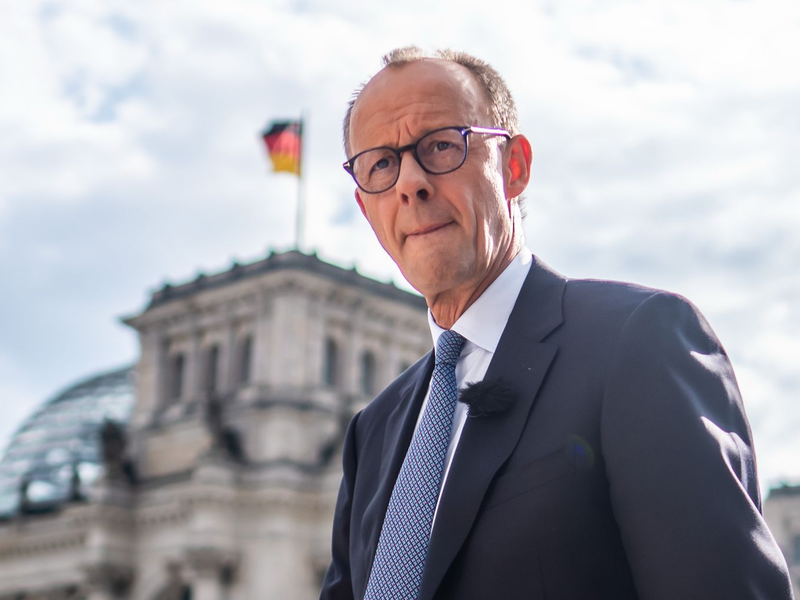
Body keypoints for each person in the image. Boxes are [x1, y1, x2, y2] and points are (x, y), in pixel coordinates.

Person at [320, 46, 793, 600]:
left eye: (442, 146)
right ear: (365, 207)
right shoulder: (372, 431)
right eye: (381, 163)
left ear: (514, 167)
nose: (410, 183)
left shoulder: (636, 342)